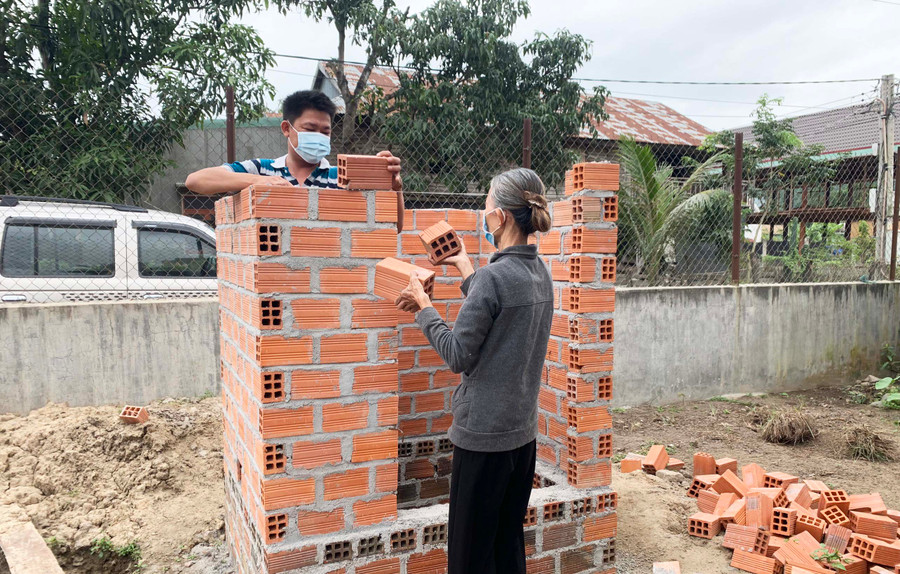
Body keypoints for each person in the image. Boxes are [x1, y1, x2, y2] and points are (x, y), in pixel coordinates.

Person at [395, 168, 554, 574]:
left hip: (483, 440)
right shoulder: (540, 275)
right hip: (522, 440)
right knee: (505, 543)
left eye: (486, 207)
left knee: (469, 557)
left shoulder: (493, 279)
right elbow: (500, 317)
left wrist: (423, 307)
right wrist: (465, 264)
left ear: (500, 217)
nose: (484, 216)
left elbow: (458, 355)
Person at [184, 90, 401, 194]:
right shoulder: (261, 170)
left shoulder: (341, 178)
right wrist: (258, 181)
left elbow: (394, 226)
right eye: (310, 129)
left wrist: (394, 187)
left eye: (325, 131)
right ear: (287, 129)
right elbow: (195, 181)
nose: (319, 136)